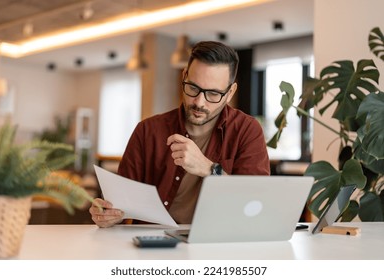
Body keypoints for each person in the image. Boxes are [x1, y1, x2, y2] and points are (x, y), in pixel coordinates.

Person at [89, 40, 270, 228]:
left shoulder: (247, 130)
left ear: (230, 92)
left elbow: (254, 202)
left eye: (213, 94)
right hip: (152, 243)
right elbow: (121, 201)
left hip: (216, 242)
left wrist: (208, 169)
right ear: (184, 76)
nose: (199, 102)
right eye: (193, 88)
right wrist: (109, 214)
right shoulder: (147, 131)